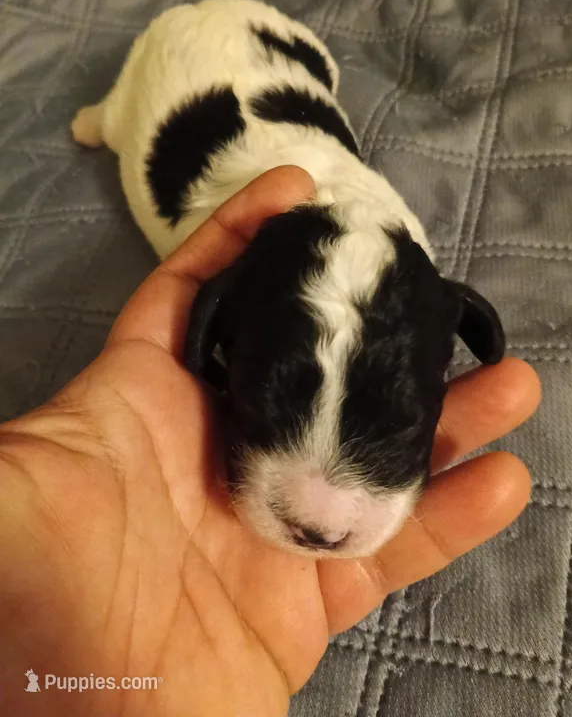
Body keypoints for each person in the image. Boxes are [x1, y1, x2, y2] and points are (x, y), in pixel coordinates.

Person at [0, 167, 540, 716]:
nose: (321, 520)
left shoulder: (418, 288)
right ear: (211, 332)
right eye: (265, 408)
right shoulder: (234, 273)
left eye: (396, 428)